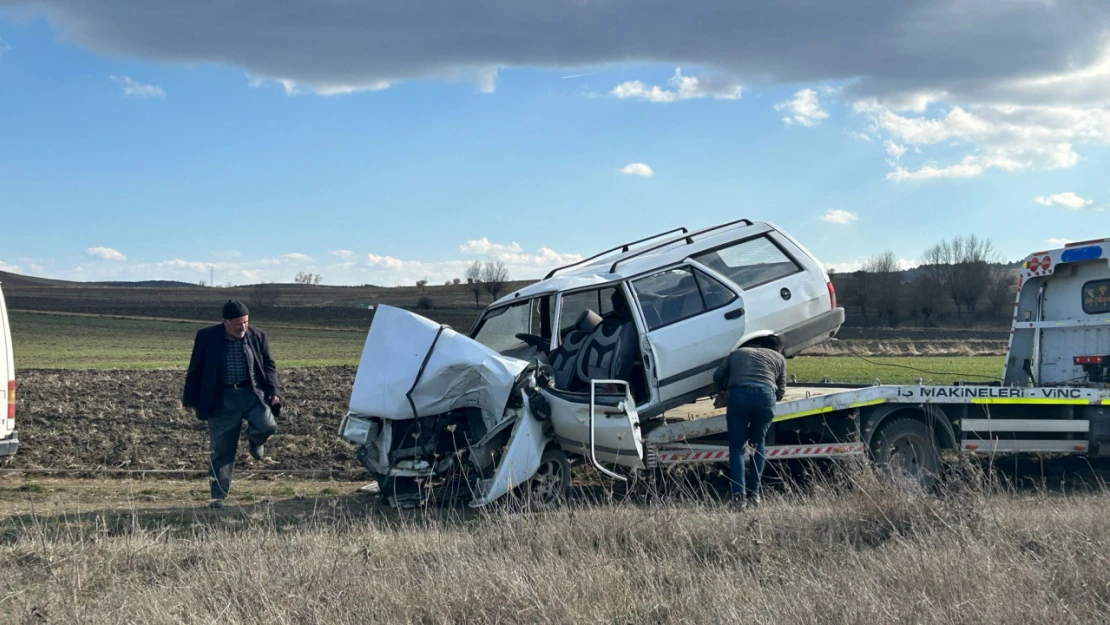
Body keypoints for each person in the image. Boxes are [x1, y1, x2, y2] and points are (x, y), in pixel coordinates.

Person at [182, 300, 282, 509]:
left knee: (268, 425)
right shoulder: (206, 337)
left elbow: (268, 364)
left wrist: (273, 390)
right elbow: (195, 368)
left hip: (252, 393)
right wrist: (189, 399)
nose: (243, 327)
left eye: (245, 322)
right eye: (237, 323)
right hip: (221, 399)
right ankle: (217, 495)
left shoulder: (257, 335)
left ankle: (255, 441)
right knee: (222, 450)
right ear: (225, 322)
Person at [712, 336, 786, 508]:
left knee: (736, 447)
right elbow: (781, 391)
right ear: (779, 350)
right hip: (765, 397)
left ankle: (739, 497)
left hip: (739, 396)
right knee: (758, 444)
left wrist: (720, 391)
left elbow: (718, 375)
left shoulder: (737, 353)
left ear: (761, 345)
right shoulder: (779, 359)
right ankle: (754, 496)